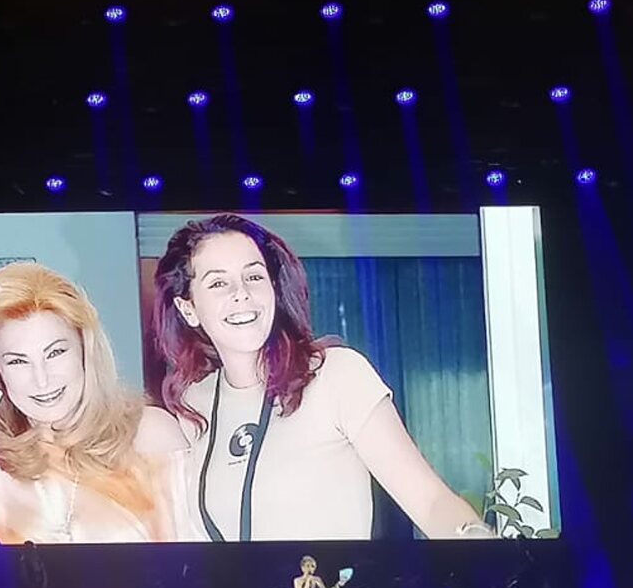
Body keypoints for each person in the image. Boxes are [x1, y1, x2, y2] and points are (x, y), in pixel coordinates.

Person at [152, 214, 493, 540]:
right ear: (188, 309)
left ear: (273, 287)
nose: (241, 293)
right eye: (218, 283)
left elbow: (430, 501)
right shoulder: (191, 406)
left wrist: (483, 551)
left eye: (254, 276)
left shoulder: (337, 375)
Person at [0, 247, 194, 543]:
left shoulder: (150, 434)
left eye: (56, 352)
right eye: (17, 361)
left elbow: (195, 563)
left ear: (85, 351)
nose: (42, 379)